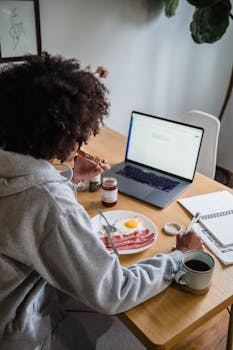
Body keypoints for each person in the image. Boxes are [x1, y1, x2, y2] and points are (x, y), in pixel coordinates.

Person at [0, 52, 203, 350]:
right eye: (81, 138)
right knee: (140, 328)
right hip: (20, 334)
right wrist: (178, 258)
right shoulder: (48, 204)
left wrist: (68, 179)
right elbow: (114, 291)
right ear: (67, 136)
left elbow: (30, 217)